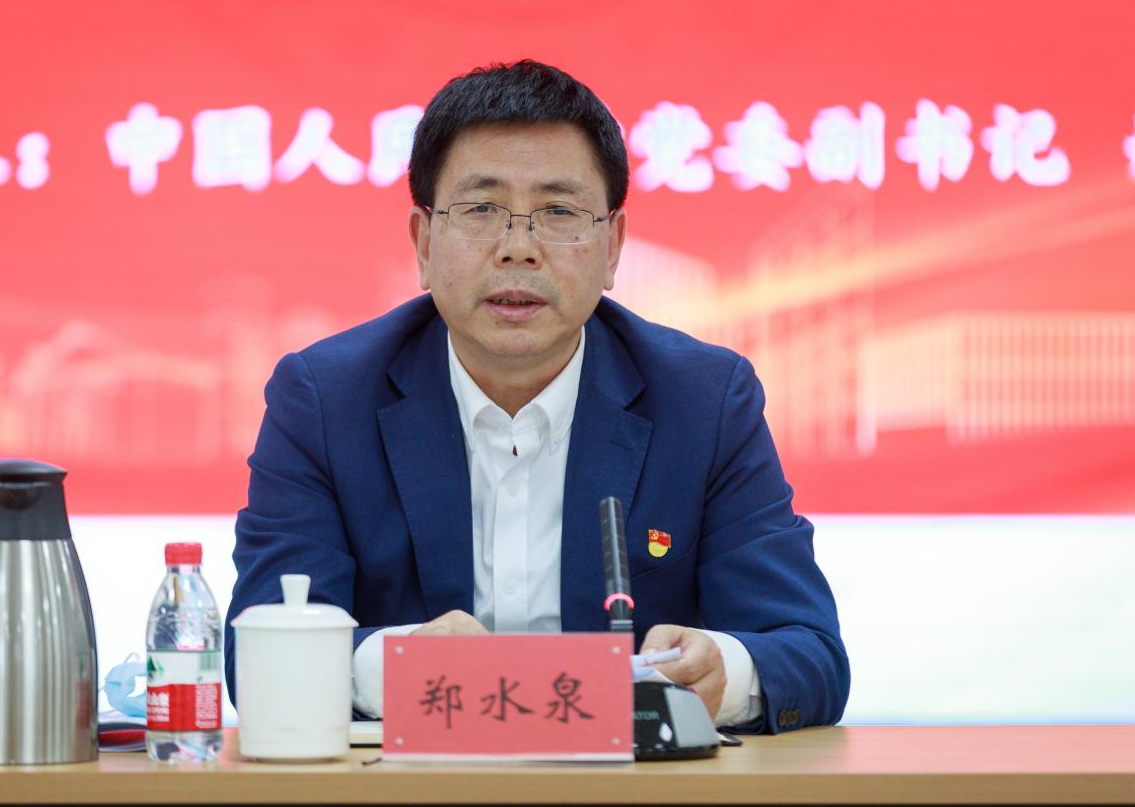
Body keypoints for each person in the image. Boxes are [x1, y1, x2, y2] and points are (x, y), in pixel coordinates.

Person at [225, 60, 849, 733]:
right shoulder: (324, 400)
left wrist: (722, 670)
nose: (518, 248)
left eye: (558, 212)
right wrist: (401, 665)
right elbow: (257, 653)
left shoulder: (703, 401)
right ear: (424, 242)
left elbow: (807, 652)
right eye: (481, 210)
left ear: (612, 247)